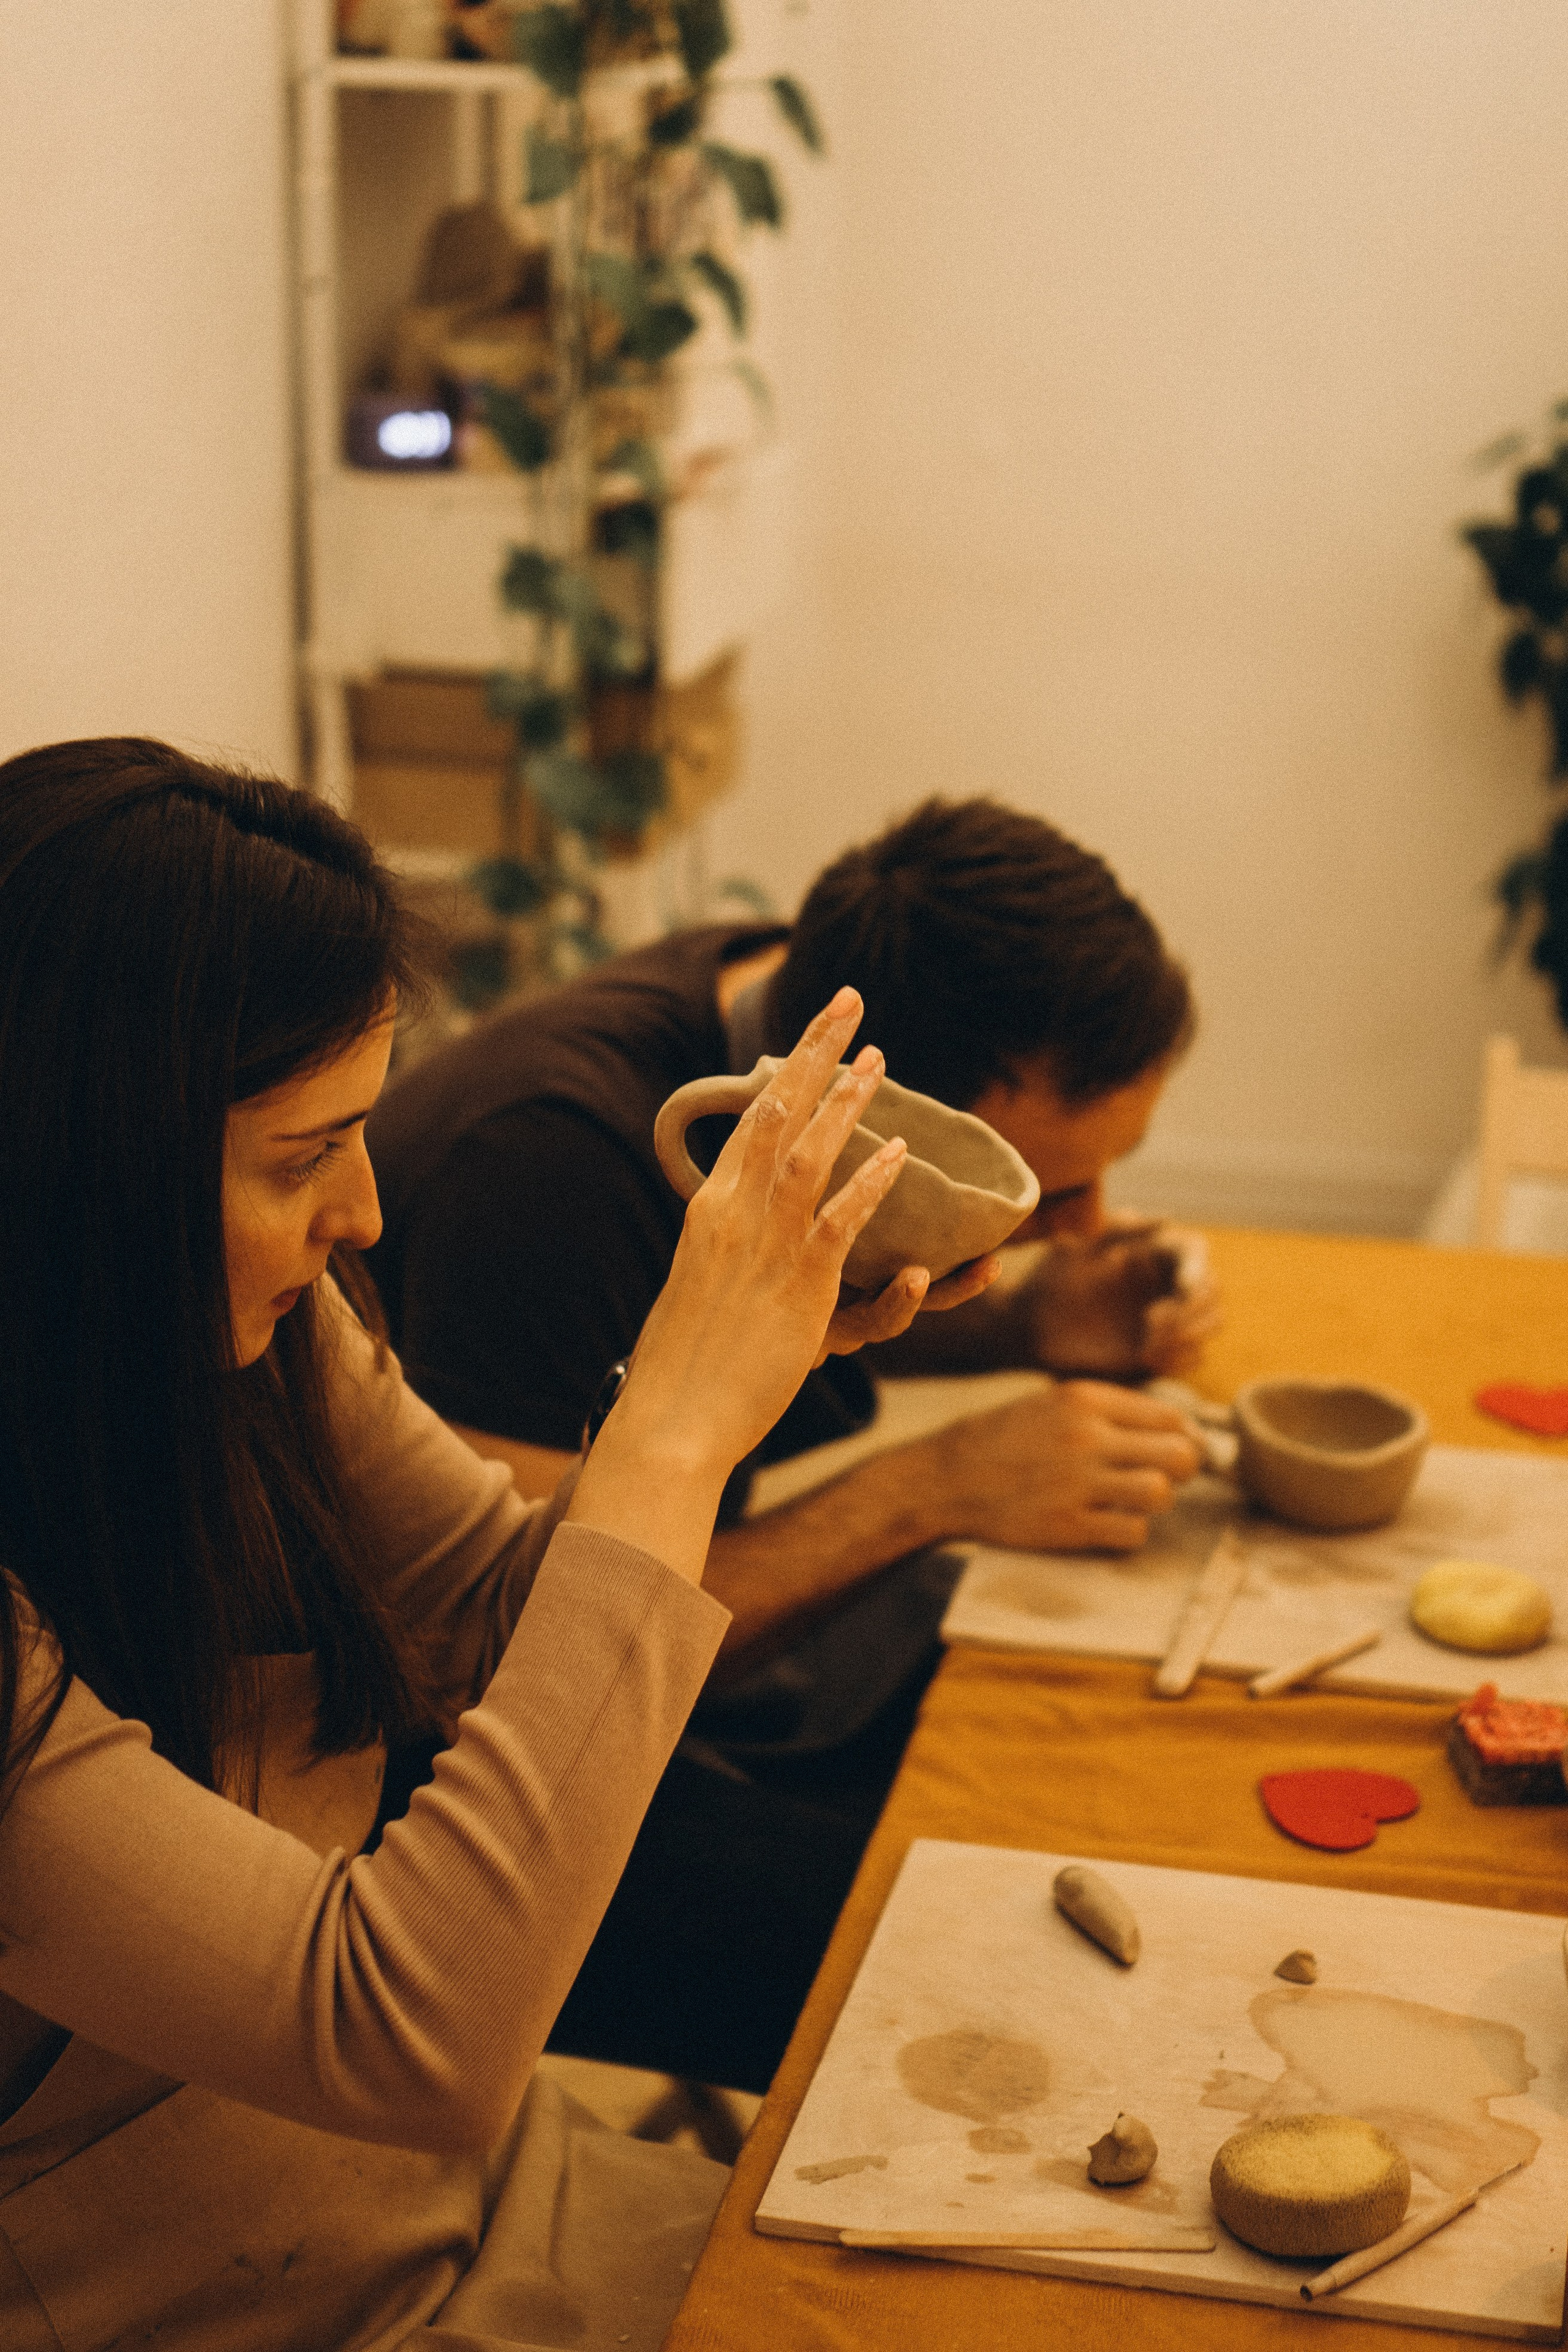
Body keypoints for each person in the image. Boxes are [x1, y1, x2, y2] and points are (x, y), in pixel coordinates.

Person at [0, 736, 929, 2352]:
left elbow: (503, 1619)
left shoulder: (256, 1342)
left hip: (464, 2203)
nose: (360, 1210)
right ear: (77, 1178)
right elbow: (408, 2034)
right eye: (302, 1156)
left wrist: (746, 1361)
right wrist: (675, 1434)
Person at [364, 798, 1219, 2089]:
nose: (1094, 1223)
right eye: (1048, 1193)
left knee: (1085, 1743)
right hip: (441, 1775)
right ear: (897, 1140)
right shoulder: (544, 1171)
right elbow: (533, 1667)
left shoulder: (790, 993)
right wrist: (931, 1487)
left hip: (633, 1636)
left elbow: (788, 1299)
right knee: (969, 1961)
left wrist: (1043, 1316)